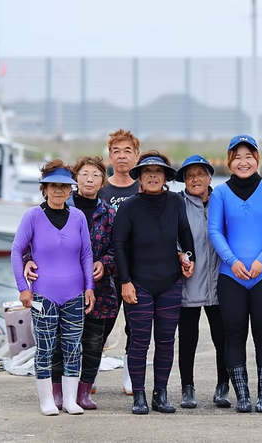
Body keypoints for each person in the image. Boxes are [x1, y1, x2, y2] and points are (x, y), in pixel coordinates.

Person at [23, 156, 117, 411]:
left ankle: (82, 393)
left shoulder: (109, 212)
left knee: (91, 342)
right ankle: (55, 394)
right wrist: (27, 262)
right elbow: (30, 244)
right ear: (75, 179)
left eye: (96, 175)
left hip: (100, 288)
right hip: (54, 288)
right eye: (84, 173)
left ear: (102, 181)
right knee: (53, 343)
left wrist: (105, 264)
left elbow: (117, 247)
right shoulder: (52, 206)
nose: (89, 179)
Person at [208, 135, 262, 413]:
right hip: (232, 275)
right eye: (237, 157)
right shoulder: (219, 193)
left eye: (249, 156)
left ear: (257, 159)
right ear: (229, 161)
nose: (244, 162)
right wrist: (232, 261)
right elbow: (215, 231)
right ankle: (242, 395)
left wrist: (260, 260)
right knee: (234, 334)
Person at [113, 151, 196, 414]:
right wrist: (125, 281)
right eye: (147, 172)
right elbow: (119, 246)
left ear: (165, 177)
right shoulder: (129, 207)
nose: (152, 176)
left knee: (166, 340)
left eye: (157, 172)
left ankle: (160, 394)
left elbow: (185, 233)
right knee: (139, 340)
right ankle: (139, 395)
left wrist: (188, 257)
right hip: (139, 283)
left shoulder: (175, 202)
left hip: (170, 282)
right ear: (139, 177)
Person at [11, 160, 96, 416]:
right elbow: (17, 251)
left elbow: (87, 254)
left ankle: (70, 400)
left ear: (71, 190)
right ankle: (46, 400)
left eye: (64, 186)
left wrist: (89, 287)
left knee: (73, 347)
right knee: (46, 348)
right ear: (44, 189)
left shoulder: (78, 216)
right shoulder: (33, 216)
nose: (59, 190)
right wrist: (23, 288)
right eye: (53, 186)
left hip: (74, 293)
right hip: (43, 294)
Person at [174, 155, 230, 409]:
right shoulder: (177, 204)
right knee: (187, 339)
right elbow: (171, 236)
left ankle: (223, 386)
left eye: (200, 174)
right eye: (189, 175)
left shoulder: (223, 200)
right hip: (189, 281)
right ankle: (188, 387)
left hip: (221, 282)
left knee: (223, 338)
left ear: (210, 177)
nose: (195, 179)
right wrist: (180, 256)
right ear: (184, 180)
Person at [97, 128, 141, 395]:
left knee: (136, 326)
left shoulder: (144, 186)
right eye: (116, 151)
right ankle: (88, 374)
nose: (122, 156)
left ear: (137, 155)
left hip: (139, 268)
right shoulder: (101, 190)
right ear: (110, 156)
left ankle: (131, 376)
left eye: (128, 151)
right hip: (107, 269)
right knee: (102, 324)